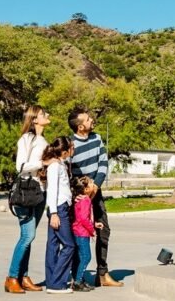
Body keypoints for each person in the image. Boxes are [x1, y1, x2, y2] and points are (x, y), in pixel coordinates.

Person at [67, 107, 122, 287]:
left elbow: (104, 163)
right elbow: (68, 173)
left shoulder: (97, 138)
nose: (92, 120)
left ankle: (102, 274)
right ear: (80, 127)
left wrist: (95, 186)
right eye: (88, 119)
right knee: (77, 234)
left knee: (104, 230)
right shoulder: (70, 145)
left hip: (96, 193)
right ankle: (76, 275)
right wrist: (78, 193)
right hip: (78, 198)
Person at [5, 105, 50, 294]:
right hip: (25, 191)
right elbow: (21, 166)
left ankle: (23, 276)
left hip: (40, 192)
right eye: (43, 114)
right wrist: (43, 163)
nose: (47, 115)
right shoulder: (27, 139)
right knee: (27, 236)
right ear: (34, 120)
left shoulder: (43, 140)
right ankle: (12, 277)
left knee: (29, 238)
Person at [43, 136, 76, 295]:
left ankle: (52, 281)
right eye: (71, 147)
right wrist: (54, 213)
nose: (73, 150)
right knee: (69, 245)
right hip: (59, 209)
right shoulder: (55, 166)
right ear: (64, 151)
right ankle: (57, 283)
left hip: (60, 207)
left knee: (53, 245)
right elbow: (52, 190)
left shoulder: (61, 164)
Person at [69, 176, 101, 292]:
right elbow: (83, 218)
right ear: (87, 189)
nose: (94, 185)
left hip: (77, 231)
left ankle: (79, 280)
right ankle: (77, 282)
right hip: (82, 233)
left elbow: (81, 216)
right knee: (86, 257)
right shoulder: (86, 200)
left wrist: (94, 224)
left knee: (80, 257)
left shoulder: (80, 198)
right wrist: (92, 230)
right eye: (92, 183)